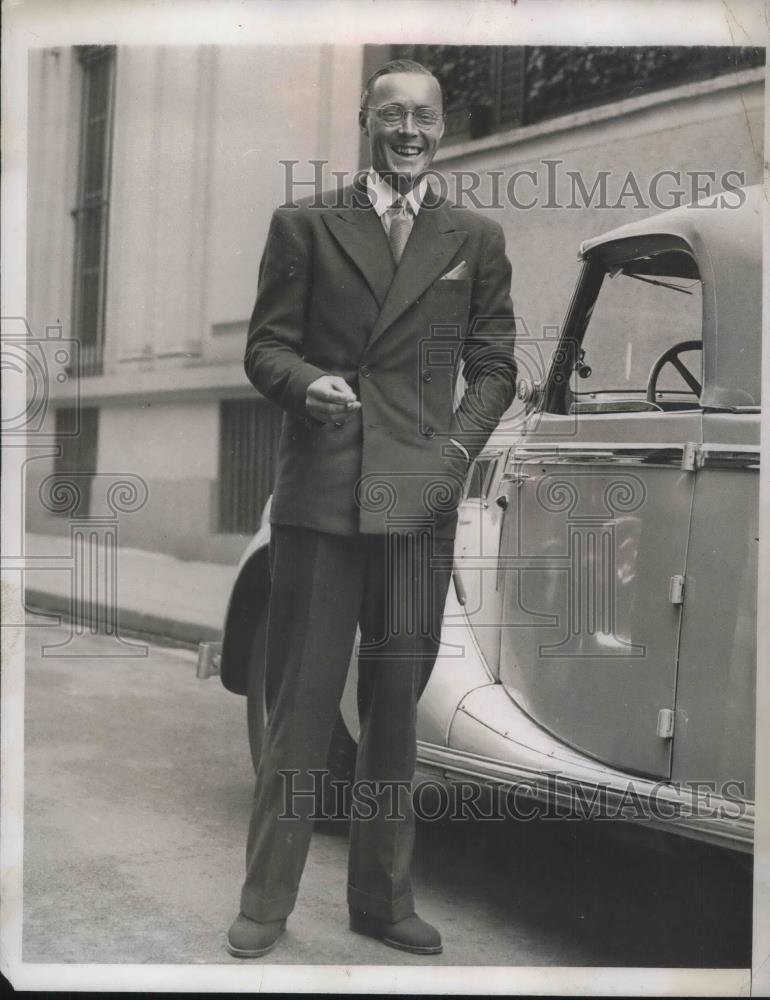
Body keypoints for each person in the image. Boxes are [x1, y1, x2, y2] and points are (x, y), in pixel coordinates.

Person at [226, 58, 517, 959]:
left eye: (424, 118)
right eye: (391, 114)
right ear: (365, 119)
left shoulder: (474, 236)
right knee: (302, 711)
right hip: (321, 500)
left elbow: (498, 365)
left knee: (395, 710)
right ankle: (266, 905)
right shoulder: (306, 224)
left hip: (417, 501)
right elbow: (264, 348)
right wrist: (306, 383)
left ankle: (382, 902)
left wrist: (456, 451)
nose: (408, 132)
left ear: (444, 129)